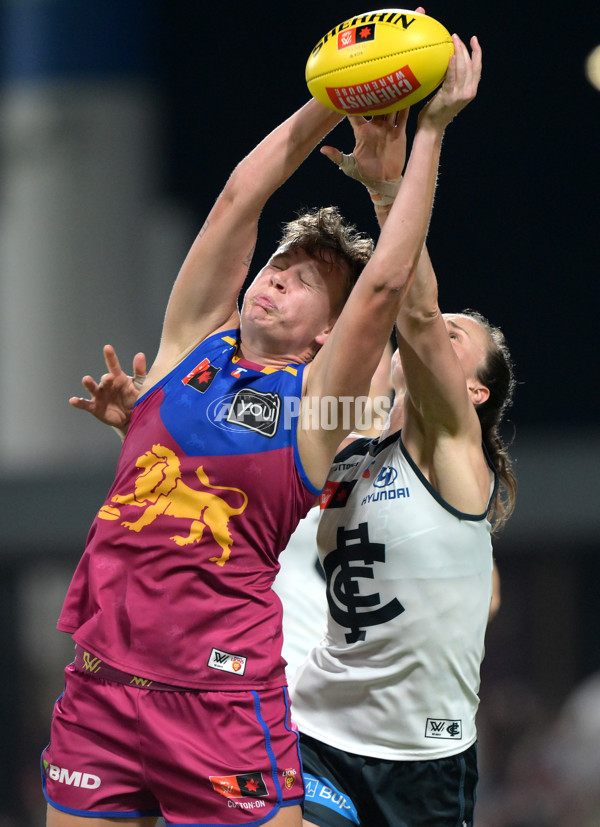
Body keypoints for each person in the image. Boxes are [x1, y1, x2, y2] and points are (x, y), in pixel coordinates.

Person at [46, 32, 482, 827]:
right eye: (278, 264)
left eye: (304, 279)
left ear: (327, 333)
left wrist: (431, 131)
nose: (276, 277)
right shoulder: (186, 350)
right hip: (99, 688)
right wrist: (332, 94)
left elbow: (385, 282)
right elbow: (237, 198)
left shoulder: (316, 407)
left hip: (218, 702)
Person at [288, 79, 516, 827]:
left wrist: (406, 165)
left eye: (457, 339)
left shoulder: (453, 451)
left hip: (422, 758)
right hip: (314, 730)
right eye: (440, 330)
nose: (434, 338)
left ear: (474, 392)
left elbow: (413, 313)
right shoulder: (347, 440)